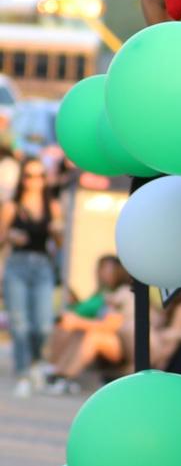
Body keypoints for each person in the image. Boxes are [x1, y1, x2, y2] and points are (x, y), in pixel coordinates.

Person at [2, 157, 61, 394]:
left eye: (38, 176)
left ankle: (37, 362)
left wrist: (58, 231)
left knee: (44, 324)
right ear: (22, 179)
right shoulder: (11, 206)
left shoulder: (52, 206)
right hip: (17, 265)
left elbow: (60, 244)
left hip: (42, 266)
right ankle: (23, 373)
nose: (33, 181)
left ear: (45, 180)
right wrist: (10, 236)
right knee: (19, 323)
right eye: (28, 176)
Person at [41, 257, 134, 394]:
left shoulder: (124, 293)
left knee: (93, 336)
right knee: (78, 332)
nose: (103, 274)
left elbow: (112, 325)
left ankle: (65, 377)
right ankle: (58, 370)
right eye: (101, 269)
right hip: (111, 338)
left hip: (124, 345)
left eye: (108, 270)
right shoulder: (105, 293)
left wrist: (78, 322)